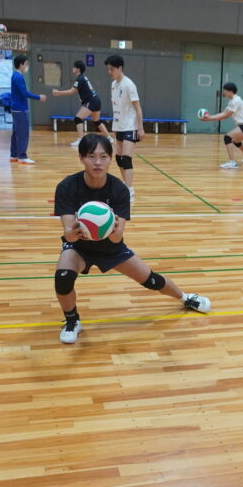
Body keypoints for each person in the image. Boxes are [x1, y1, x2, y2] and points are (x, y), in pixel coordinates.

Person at [53, 134, 210, 344]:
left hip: (111, 249)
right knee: (63, 277)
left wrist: (112, 232)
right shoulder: (67, 186)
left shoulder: (119, 189)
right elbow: (68, 232)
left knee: (152, 280)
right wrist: (73, 234)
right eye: (91, 156)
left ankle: (185, 297)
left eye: (103, 156)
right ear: (81, 158)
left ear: (110, 159)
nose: (98, 162)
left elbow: (117, 238)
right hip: (79, 247)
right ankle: (72, 321)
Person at [106, 55, 144, 204]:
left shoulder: (129, 85)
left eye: (112, 69)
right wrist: (114, 127)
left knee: (127, 159)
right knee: (119, 158)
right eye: (108, 69)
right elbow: (116, 107)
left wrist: (140, 128)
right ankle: (125, 185)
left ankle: (129, 190)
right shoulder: (113, 84)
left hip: (130, 126)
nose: (109, 72)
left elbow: (137, 108)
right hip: (119, 126)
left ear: (120, 68)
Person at [52, 60, 111, 147]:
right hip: (96, 100)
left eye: (74, 67)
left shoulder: (80, 78)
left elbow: (72, 91)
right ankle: (109, 138)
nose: (72, 68)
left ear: (78, 69)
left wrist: (58, 92)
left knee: (78, 118)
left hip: (91, 101)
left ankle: (80, 140)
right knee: (96, 121)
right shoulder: (82, 77)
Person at [198, 82, 243, 169]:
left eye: (225, 91)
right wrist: (209, 117)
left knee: (227, 138)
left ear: (230, 91)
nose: (224, 93)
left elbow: (226, 115)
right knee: (236, 141)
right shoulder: (232, 101)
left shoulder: (236, 101)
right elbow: (224, 113)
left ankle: (232, 163)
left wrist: (209, 118)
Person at [10, 55, 47, 164]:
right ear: (21, 65)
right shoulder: (18, 77)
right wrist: (38, 97)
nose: (27, 66)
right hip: (20, 109)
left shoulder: (15, 75)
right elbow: (23, 93)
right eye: (26, 64)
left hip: (16, 108)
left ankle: (14, 155)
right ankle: (22, 156)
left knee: (16, 133)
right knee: (23, 133)